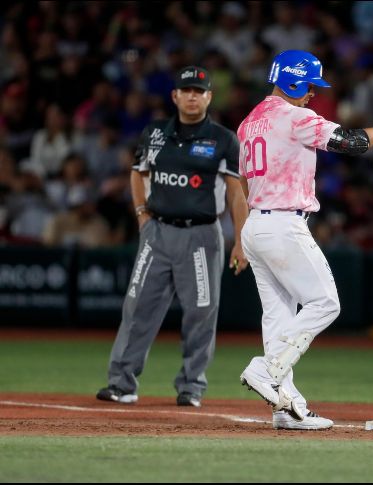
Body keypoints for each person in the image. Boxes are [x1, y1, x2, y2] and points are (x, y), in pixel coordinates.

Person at [237, 50, 373, 430]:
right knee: (326, 303)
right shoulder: (295, 116)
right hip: (283, 223)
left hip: (256, 223)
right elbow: (353, 143)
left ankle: (286, 406)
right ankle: (267, 369)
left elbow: (244, 179)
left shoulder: (250, 121)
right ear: (294, 81)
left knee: (279, 317)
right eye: (310, 85)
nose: (314, 93)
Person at [96, 66, 249, 408]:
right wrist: (141, 216)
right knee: (137, 307)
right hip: (157, 232)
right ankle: (122, 383)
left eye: (199, 90)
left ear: (209, 96)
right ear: (175, 96)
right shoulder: (154, 133)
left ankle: (192, 385)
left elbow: (237, 194)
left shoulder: (224, 139)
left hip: (201, 235)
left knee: (201, 312)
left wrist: (241, 240)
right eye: (187, 90)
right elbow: (138, 174)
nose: (193, 96)